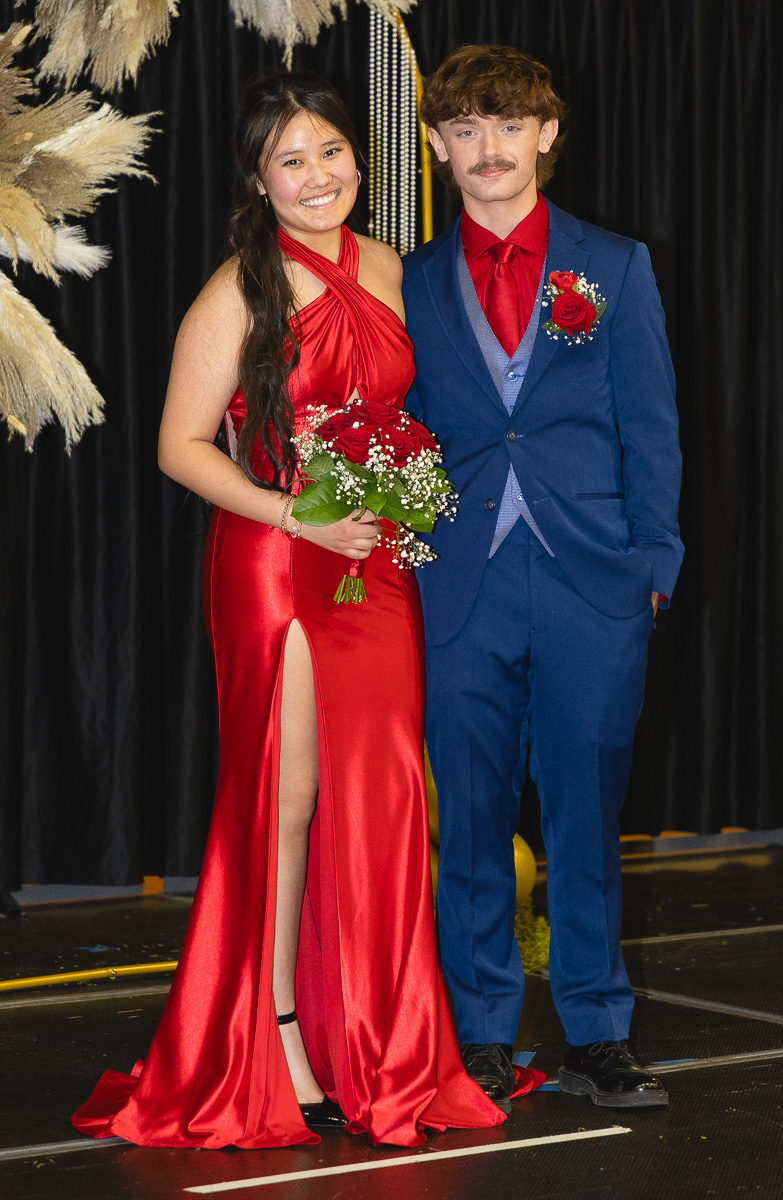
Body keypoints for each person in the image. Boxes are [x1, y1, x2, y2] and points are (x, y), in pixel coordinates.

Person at [72, 70, 535, 1151]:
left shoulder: (391, 266)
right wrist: (299, 517)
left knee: (380, 798)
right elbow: (179, 447)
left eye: (330, 151)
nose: (317, 174)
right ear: (258, 180)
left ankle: (375, 1039)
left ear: (359, 159)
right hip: (277, 560)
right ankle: (274, 1031)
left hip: (372, 563)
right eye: (291, 160)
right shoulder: (239, 288)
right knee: (286, 802)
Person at [402, 45, 683, 1112]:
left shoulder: (615, 265)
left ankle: (596, 1030)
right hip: (458, 585)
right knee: (469, 823)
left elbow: (650, 427)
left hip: (592, 586)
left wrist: (651, 565)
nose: (489, 148)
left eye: (509, 125)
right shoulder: (410, 279)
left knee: (583, 820)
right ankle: (478, 1034)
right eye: (466, 129)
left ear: (547, 134)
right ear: (437, 144)